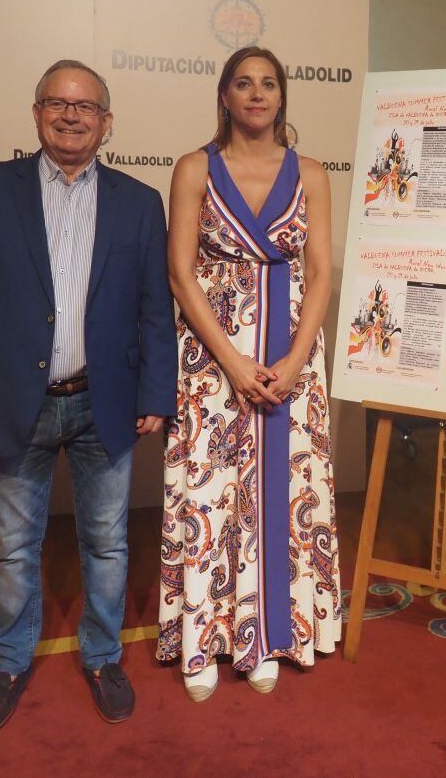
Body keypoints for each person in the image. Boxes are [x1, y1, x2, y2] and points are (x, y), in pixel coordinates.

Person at [0, 59, 176, 733]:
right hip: (13, 398)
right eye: (57, 103)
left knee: (107, 542)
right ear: (36, 113)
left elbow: (156, 310)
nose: (71, 115)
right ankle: (9, 660)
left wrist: (157, 390)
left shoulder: (139, 202)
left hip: (107, 400)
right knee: (13, 544)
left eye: (86, 105)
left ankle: (101, 655)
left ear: (107, 121)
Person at [159, 46, 341, 701]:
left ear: (282, 96)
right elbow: (181, 272)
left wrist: (292, 364)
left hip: (292, 360)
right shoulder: (193, 169)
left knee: (281, 488)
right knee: (212, 495)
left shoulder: (313, 173)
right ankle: (203, 641)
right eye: (244, 83)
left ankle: (268, 632)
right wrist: (233, 362)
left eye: (268, 84)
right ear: (225, 96)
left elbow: (319, 271)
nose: (257, 94)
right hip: (212, 360)